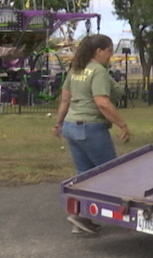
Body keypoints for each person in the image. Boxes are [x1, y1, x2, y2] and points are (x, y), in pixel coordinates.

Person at [53, 34, 130, 234]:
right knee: (110, 171)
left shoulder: (76, 69)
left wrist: (58, 123)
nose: (110, 56)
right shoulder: (97, 72)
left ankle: (81, 217)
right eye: (109, 52)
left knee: (85, 174)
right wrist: (122, 124)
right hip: (90, 128)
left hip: (71, 126)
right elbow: (102, 102)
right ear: (99, 51)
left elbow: (65, 100)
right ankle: (123, 215)